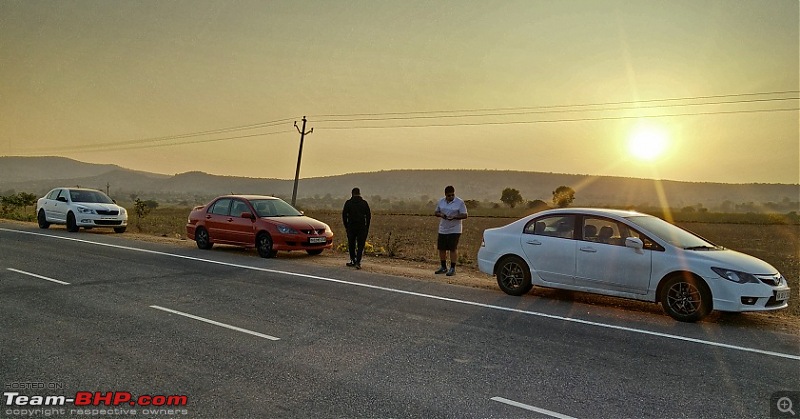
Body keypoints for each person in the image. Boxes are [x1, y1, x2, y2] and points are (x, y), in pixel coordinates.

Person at [433, 185, 468, 276]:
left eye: (452, 195)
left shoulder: (459, 202)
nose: (451, 197)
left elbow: (465, 215)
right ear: (445, 195)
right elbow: (436, 212)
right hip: (443, 228)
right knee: (442, 248)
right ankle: (443, 267)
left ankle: (453, 268)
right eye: (449, 195)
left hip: (455, 229)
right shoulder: (441, 201)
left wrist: (454, 217)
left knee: (453, 248)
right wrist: (441, 215)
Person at [342, 187, 371, 269]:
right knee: (360, 245)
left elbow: (344, 215)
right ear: (359, 193)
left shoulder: (348, 203)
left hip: (351, 227)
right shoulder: (364, 203)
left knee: (351, 244)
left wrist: (346, 226)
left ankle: (353, 260)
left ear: (352, 193)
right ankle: (358, 262)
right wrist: (366, 227)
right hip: (361, 227)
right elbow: (368, 216)